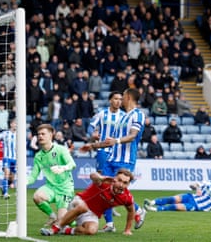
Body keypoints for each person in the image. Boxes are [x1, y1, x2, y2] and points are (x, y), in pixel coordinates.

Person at [81, 88, 147, 231]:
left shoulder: (138, 114)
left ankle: (138, 210)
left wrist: (116, 141)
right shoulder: (123, 117)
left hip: (126, 159)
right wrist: (93, 146)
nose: (120, 99)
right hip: (111, 157)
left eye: (122, 96)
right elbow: (110, 141)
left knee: (118, 189)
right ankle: (110, 224)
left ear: (128, 97)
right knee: (103, 186)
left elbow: (133, 135)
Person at [40, 169, 136, 236]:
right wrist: (101, 178)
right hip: (78, 202)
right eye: (119, 180)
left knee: (91, 230)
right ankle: (54, 228)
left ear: (128, 184)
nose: (121, 184)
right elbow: (93, 175)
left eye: (125, 183)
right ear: (115, 178)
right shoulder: (105, 181)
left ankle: (65, 230)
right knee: (83, 207)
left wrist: (127, 230)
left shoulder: (126, 197)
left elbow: (131, 211)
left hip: (92, 214)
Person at [27, 124, 76, 227]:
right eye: (39, 134)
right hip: (51, 187)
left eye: (43, 134)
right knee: (37, 196)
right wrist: (24, 181)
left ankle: (76, 220)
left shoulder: (61, 149)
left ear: (51, 135)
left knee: (62, 222)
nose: (40, 136)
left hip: (65, 188)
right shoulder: (38, 156)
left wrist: (62, 168)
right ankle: (52, 216)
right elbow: (33, 177)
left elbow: (72, 164)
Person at [144, 172, 211, 212]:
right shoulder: (209, 183)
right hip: (191, 197)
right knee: (172, 199)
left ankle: (154, 209)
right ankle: (152, 202)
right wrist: (197, 188)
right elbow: (192, 185)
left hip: (197, 206)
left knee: (175, 206)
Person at [0, 119, 17, 199]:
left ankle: (4, 188)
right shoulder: (5, 133)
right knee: (6, 174)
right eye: (15, 123)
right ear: (11, 124)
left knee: (12, 177)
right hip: (7, 157)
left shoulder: (19, 134)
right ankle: (5, 193)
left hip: (15, 158)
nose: (16, 125)